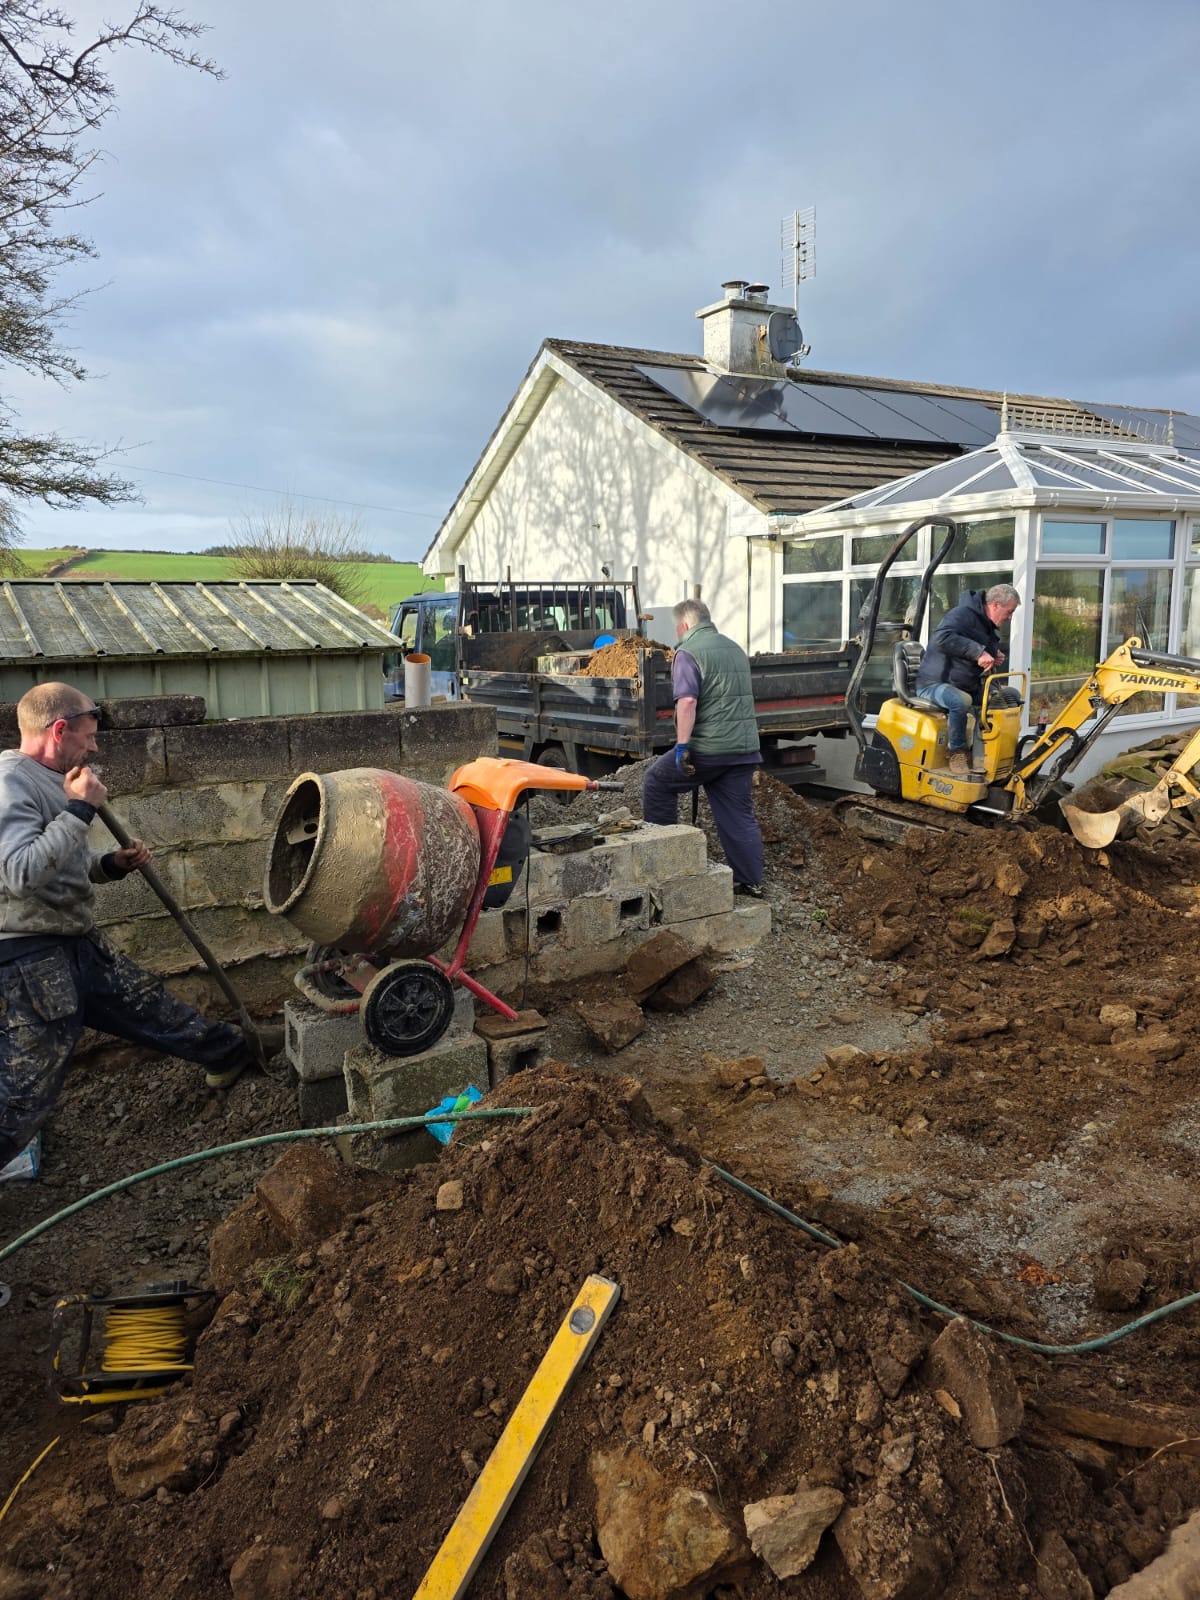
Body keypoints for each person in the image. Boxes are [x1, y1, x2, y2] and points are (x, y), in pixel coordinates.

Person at [0, 682, 257, 1168]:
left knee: (148, 1005)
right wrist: (81, 808)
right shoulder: (10, 781)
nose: (94, 747)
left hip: (72, 940)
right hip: (32, 957)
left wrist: (110, 864)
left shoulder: (51, 778)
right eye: (88, 736)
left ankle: (230, 1052)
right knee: (23, 1097)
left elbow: (60, 864)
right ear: (58, 730)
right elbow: (20, 874)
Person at [643, 599, 765, 896]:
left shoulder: (687, 652)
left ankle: (664, 862)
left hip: (709, 749)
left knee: (656, 782)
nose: (677, 633)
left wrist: (683, 746)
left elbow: (687, 701)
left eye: (677, 628)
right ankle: (751, 881)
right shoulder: (734, 648)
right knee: (738, 815)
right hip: (743, 748)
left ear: (684, 625)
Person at [915, 583, 1022, 776]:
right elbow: (941, 639)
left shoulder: (986, 625)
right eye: (1010, 611)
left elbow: (977, 650)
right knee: (959, 701)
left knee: (1009, 696)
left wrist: (993, 655)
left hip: (965, 684)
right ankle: (956, 753)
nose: (1010, 617)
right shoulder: (962, 614)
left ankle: (993, 752)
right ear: (996, 605)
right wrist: (978, 652)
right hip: (933, 684)